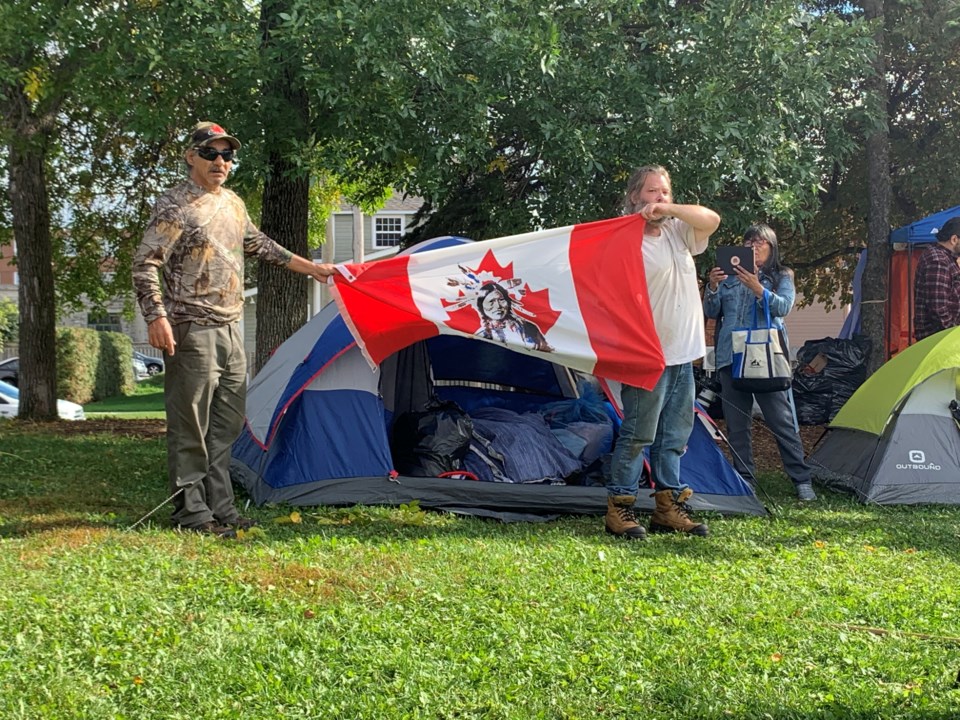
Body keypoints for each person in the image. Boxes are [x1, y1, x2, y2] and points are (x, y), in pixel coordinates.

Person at [132, 121, 337, 538]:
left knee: (225, 425)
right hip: (192, 330)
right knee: (190, 425)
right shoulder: (176, 206)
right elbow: (145, 263)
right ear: (192, 157)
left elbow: (261, 245)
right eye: (211, 154)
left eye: (227, 155)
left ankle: (221, 508)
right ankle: (191, 514)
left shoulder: (234, 204)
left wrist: (313, 268)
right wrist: (157, 317)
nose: (221, 162)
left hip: (230, 328)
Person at [605, 165, 720, 540]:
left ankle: (667, 509)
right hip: (646, 353)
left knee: (674, 435)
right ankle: (620, 508)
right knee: (639, 433)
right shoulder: (624, 236)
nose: (659, 197)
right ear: (635, 196)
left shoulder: (679, 230)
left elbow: (712, 219)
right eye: (652, 191)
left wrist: (669, 210)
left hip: (682, 352)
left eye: (665, 191)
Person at [703, 223, 816, 501]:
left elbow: (783, 307)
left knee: (781, 420)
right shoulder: (729, 276)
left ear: (771, 247)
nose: (753, 246)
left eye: (760, 242)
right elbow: (711, 311)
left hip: (767, 355)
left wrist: (758, 288)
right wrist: (713, 286)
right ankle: (745, 479)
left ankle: (801, 479)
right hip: (731, 356)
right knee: (737, 423)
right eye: (748, 241)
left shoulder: (781, 275)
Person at [913, 216, 960, 341]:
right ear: (954, 239)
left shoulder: (945, 258)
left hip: (943, 338)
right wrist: (953, 335)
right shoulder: (938, 261)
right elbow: (938, 308)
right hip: (938, 339)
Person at [475, 282, 552, 351]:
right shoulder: (479, 335)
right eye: (491, 301)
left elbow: (547, 350)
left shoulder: (527, 327)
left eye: (501, 299)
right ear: (481, 306)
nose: (498, 306)